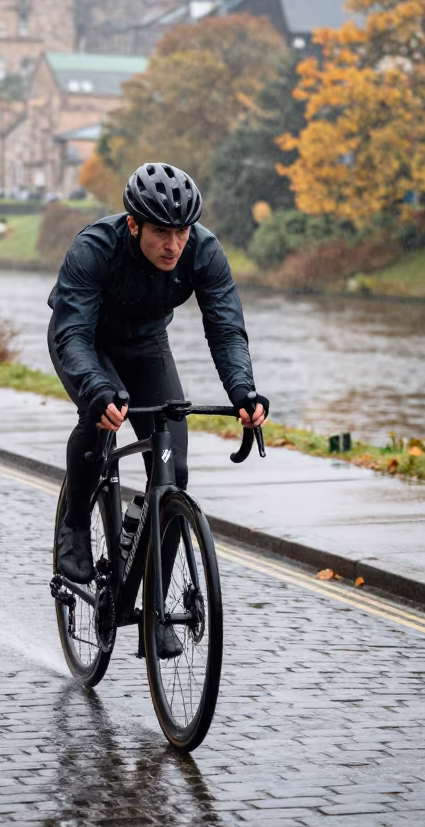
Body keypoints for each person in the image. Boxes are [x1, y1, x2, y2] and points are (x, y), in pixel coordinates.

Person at [48, 161, 269, 599]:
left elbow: (225, 328)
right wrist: (96, 389)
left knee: (175, 473)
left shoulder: (203, 251)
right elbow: (71, 333)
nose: (173, 245)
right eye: (161, 233)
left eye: (182, 232)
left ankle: (155, 606)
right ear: (133, 225)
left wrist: (242, 390)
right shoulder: (94, 248)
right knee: (99, 416)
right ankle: (74, 526)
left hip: (148, 346)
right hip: (88, 342)